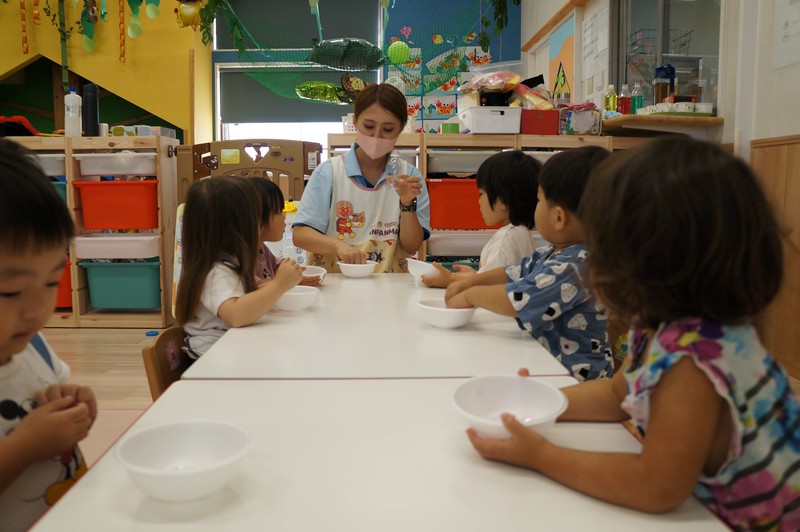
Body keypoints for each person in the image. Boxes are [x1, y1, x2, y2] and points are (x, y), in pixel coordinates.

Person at [467, 137, 800, 529]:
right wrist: (539, 404)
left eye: (604, 239)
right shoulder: (658, 323)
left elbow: (656, 486)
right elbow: (616, 396)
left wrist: (541, 455)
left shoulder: (693, 359)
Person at [446, 147, 613, 381]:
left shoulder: (577, 267)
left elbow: (518, 300)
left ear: (558, 217)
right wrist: (472, 281)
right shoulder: (554, 252)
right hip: (548, 366)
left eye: (539, 199)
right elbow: (512, 273)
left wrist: (470, 295)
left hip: (575, 379)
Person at [0, 138, 96, 531]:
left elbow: (49, 396)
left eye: (51, 282)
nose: (38, 310)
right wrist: (25, 447)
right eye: (10, 291)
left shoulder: (31, 343)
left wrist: (73, 407)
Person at [292, 82, 431, 273]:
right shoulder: (329, 173)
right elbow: (300, 235)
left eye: (388, 129)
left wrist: (407, 205)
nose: (377, 136)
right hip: (335, 281)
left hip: (388, 283)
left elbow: (412, 246)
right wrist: (338, 246)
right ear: (355, 121)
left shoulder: (409, 177)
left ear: (401, 128)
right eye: (369, 126)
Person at [175, 176, 303, 357]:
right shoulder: (215, 271)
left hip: (233, 344)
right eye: (254, 216)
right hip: (213, 355)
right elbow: (236, 315)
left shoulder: (233, 259)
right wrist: (279, 284)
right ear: (234, 226)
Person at [422, 150, 541, 287]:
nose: (479, 201)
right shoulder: (521, 233)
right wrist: (475, 276)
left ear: (503, 201)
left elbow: (491, 287)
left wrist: (450, 280)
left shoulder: (506, 238)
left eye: (481, 194)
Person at [249, 177, 321, 287]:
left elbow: (276, 266)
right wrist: (286, 281)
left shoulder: (261, 248)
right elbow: (254, 286)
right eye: (278, 212)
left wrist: (295, 272)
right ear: (257, 219)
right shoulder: (241, 257)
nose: (284, 216)